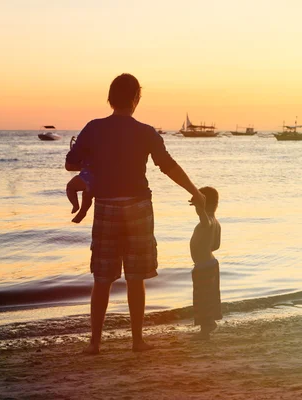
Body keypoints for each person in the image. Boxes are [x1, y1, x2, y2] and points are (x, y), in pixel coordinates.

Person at [65, 73, 206, 354]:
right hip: (139, 208)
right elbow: (168, 166)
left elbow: (71, 164)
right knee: (135, 277)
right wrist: (195, 191)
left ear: (110, 98)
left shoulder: (94, 128)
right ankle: (137, 341)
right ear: (135, 99)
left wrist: (94, 161)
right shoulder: (145, 132)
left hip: (106, 207)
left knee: (102, 278)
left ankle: (94, 343)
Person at [189, 186, 222, 340]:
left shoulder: (206, 221)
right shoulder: (216, 222)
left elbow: (204, 219)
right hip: (210, 264)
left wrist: (199, 209)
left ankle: (205, 329)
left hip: (203, 267)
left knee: (202, 298)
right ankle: (208, 324)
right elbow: (216, 246)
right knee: (208, 297)